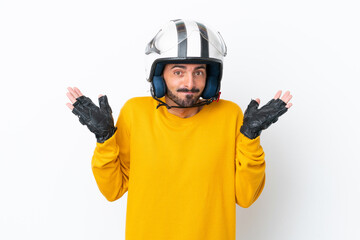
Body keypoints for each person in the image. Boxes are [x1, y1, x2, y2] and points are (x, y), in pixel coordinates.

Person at [66, 19, 293, 240]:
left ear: (210, 78)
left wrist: (250, 139)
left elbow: (245, 197)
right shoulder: (135, 113)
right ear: (159, 75)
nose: (190, 83)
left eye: (199, 72)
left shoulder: (230, 115)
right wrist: (105, 139)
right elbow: (112, 190)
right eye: (178, 71)